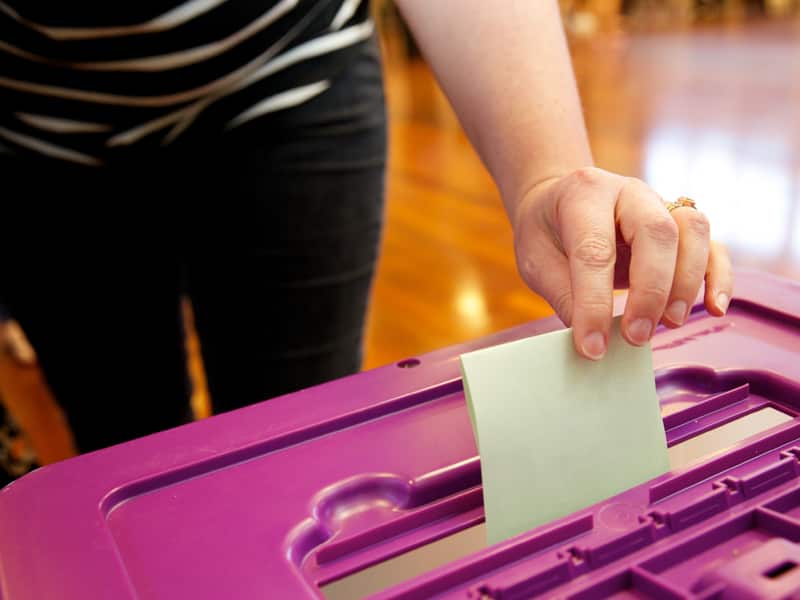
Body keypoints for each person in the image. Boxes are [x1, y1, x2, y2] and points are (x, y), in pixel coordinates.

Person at [0, 1, 732, 453]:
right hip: (33, 127)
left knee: (290, 446)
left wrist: (548, 175)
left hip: (289, 75)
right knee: (122, 442)